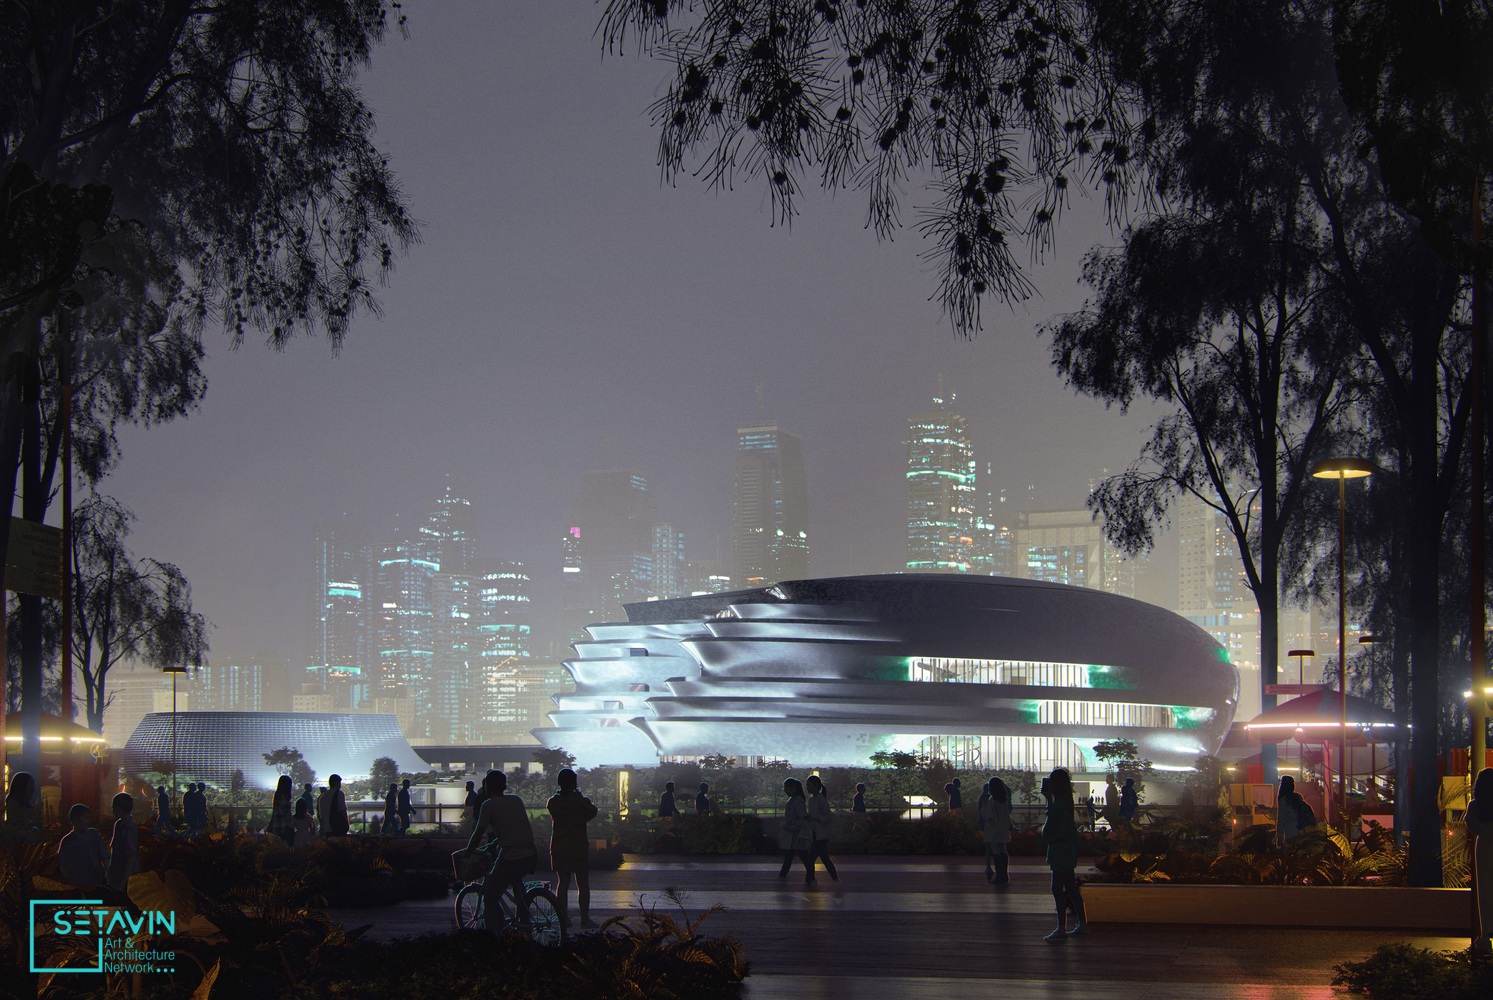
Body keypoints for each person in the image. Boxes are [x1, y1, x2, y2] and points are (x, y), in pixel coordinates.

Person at [465, 769, 538, 933]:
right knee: (519, 891)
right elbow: (514, 829)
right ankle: (525, 928)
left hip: (511, 857)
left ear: (486, 787)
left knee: (490, 896)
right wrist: (494, 844)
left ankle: (495, 936)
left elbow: (478, 833)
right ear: (504, 786)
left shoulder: (488, 805)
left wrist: (468, 852)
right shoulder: (516, 800)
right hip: (530, 854)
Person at [547, 767, 599, 930]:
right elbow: (592, 812)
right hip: (578, 847)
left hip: (559, 847)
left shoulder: (553, 802)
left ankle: (563, 918)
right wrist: (582, 798)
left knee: (562, 884)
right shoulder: (578, 801)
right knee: (582, 884)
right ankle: (584, 919)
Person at [1041, 767, 1087, 940]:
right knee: (1072, 889)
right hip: (1068, 852)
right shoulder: (1067, 805)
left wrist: (1048, 802)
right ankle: (1082, 923)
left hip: (1059, 853)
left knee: (1057, 888)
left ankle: (1061, 928)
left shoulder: (1057, 808)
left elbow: (1047, 833)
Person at [1466, 767, 1493, 953]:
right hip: (1485, 844)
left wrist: (1487, 833)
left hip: (1484, 847)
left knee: (1485, 889)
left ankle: (1486, 933)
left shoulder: (1475, 805)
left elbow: (1472, 824)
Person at [58, 804, 109, 887]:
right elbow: (63, 864)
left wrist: (108, 875)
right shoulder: (66, 841)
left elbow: (104, 857)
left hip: (95, 881)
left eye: (88, 818)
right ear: (75, 820)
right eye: (85, 818)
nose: (88, 821)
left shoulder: (93, 835)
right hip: (76, 883)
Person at [777, 778, 814, 884]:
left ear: (793, 789)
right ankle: (810, 878)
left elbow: (802, 819)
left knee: (797, 856)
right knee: (795, 856)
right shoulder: (795, 800)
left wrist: (791, 827)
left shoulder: (797, 802)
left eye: (787, 789)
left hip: (797, 834)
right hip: (794, 835)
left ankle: (809, 877)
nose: (785, 791)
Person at [804, 775, 839, 882]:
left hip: (821, 834)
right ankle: (835, 878)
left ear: (816, 786)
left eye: (809, 785)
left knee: (810, 859)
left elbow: (828, 817)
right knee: (824, 858)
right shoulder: (812, 800)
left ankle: (810, 880)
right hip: (816, 833)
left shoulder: (821, 800)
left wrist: (815, 819)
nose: (807, 788)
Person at [106, 793, 140, 894]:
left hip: (128, 872)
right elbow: (113, 849)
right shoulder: (118, 824)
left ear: (117, 808)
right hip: (118, 869)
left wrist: (124, 881)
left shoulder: (130, 827)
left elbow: (131, 855)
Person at [982, 777, 1013, 884]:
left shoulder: (992, 801)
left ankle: (999, 876)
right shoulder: (1003, 800)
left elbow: (987, 815)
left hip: (993, 829)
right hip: (1003, 829)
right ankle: (1005, 875)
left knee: (996, 851)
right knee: (1003, 850)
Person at [4, 771, 38, 837]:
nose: (33, 789)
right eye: (31, 785)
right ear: (22, 786)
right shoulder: (10, 808)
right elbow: (8, 830)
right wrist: (26, 834)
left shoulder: (25, 808)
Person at [1276, 775, 1304, 847]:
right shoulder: (1298, 797)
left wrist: (1280, 837)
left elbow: (1281, 819)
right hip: (1302, 831)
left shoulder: (1283, 800)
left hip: (1290, 834)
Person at [269, 775, 295, 846]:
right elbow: (286, 814)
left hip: (276, 826)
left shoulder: (277, 796)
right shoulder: (285, 798)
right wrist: (292, 822)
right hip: (284, 828)